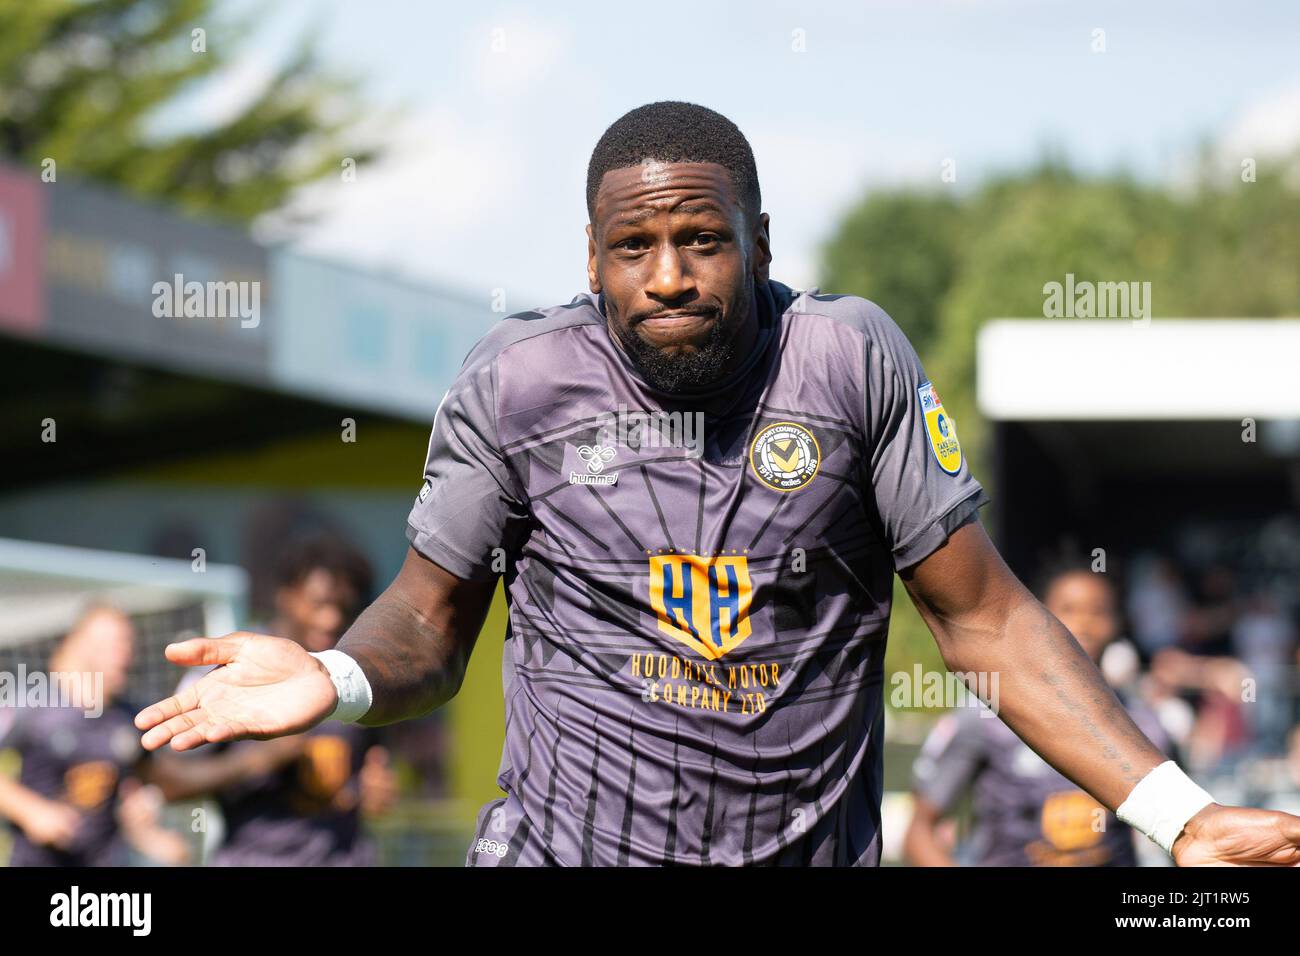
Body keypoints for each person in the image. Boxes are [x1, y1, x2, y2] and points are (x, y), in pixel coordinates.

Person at [136, 101, 1300, 867]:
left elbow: (983, 615)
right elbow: (428, 627)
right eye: (633, 248)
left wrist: (1176, 811)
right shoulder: (517, 382)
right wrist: (335, 671)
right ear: (588, 258)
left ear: (761, 241)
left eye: (702, 238)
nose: (671, 275)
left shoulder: (846, 361)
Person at [148, 532, 396, 866]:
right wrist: (255, 761)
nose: (331, 619)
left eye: (343, 607)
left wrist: (375, 792)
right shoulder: (233, 670)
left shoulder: (350, 672)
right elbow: (167, 782)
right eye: (319, 603)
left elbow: (368, 773)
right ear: (285, 596)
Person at [904, 562, 1172, 866]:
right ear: (1039, 620)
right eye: (1068, 609)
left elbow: (1186, 833)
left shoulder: (1147, 726)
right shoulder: (988, 716)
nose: (1084, 622)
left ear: (1118, 622)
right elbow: (919, 831)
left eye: (1099, 611)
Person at [0, 605, 188, 867]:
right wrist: (30, 811)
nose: (123, 653)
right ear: (81, 645)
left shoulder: (132, 719)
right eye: (112, 643)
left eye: (127, 643)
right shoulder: (34, 707)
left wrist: (148, 828)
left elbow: (151, 784)